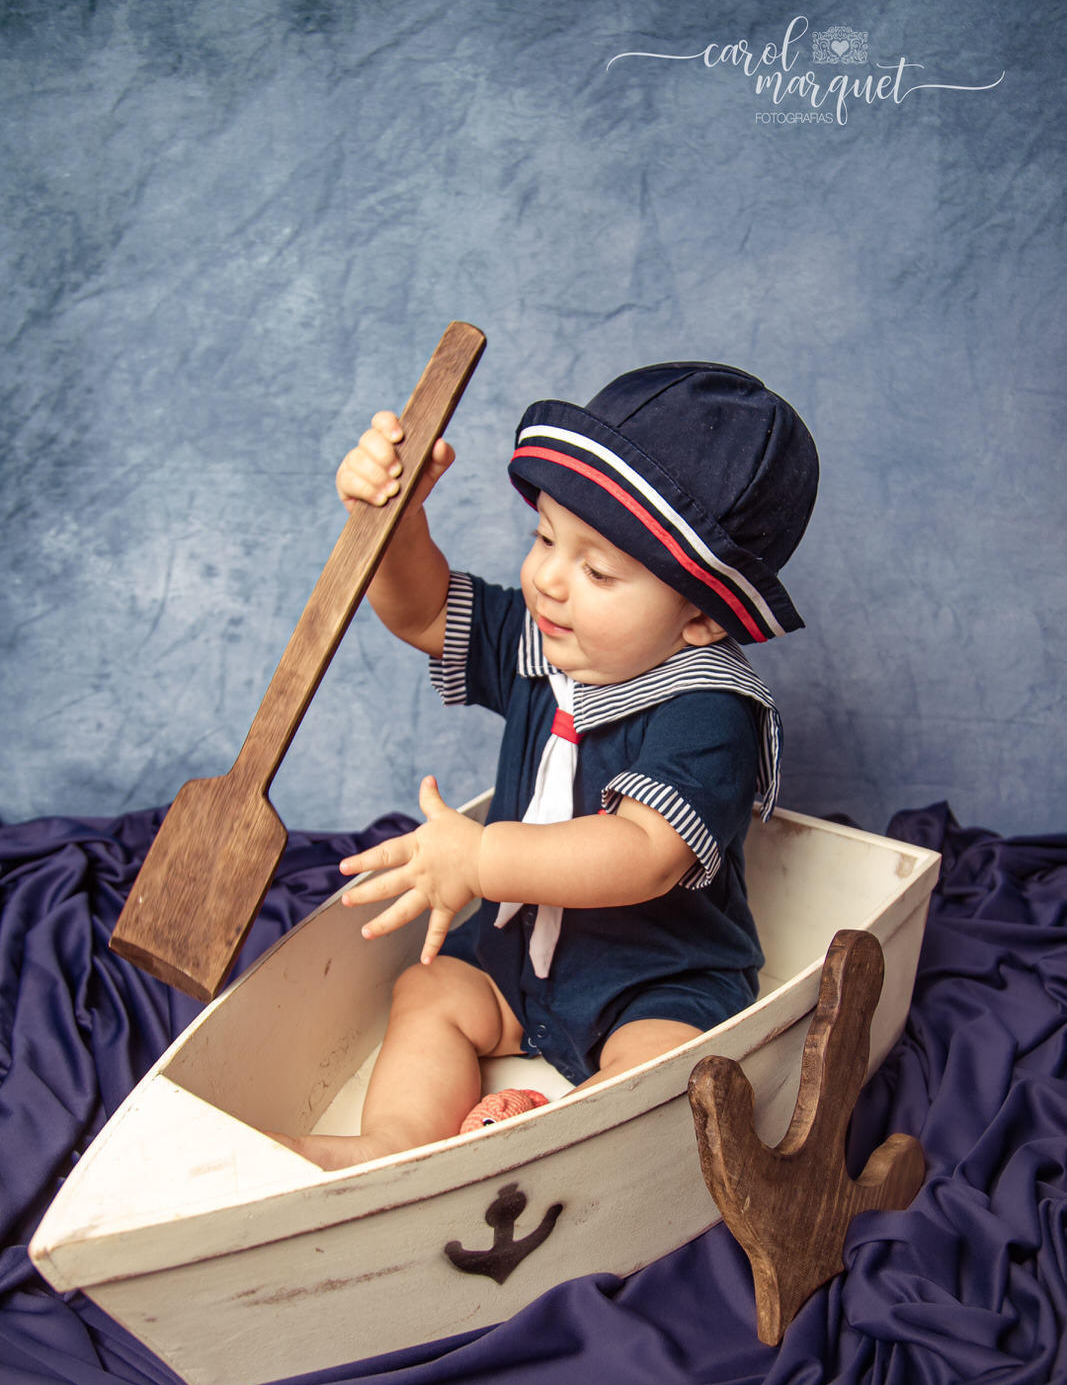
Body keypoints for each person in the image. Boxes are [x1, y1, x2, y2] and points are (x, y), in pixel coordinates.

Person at [272, 362, 818, 1169]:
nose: (549, 580)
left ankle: (557, 1149)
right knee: (431, 990)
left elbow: (642, 852)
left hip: (653, 975)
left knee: (669, 1065)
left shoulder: (709, 708)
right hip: (518, 958)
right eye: (544, 538)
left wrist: (481, 855)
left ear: (700, 613)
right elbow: (423, 610)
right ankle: (391, 1146)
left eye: (597, 571)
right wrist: (394, 519)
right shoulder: (547, 647)